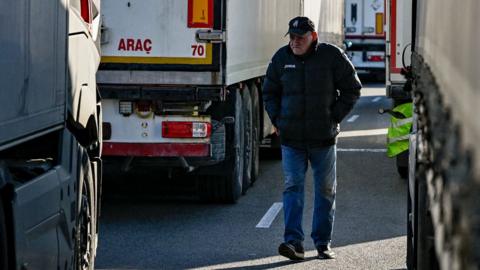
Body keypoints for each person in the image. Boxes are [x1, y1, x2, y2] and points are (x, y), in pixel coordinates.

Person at [262, 16, 362, 260]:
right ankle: (293, 243)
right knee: (292, 187)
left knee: (326, 190)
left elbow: (353, 88)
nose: (295, 42)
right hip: (291, 140)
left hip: (323, 140)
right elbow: (269, 91)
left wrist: (333, 117)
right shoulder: (281, 58)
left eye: (300, 38)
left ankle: (322, 243)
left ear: (313, 37)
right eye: (292, 37)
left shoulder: (331, 56)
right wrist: (278, 121)